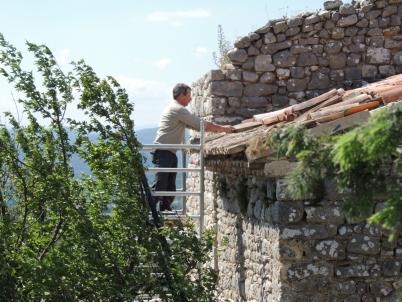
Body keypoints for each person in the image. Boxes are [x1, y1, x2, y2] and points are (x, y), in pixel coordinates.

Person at [152, 83, 234, 211]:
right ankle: (148, 213)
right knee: (160, 185)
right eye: (189, 96)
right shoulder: (178, 109)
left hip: (168, 152)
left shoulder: (174, 108)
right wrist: (223, 129)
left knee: (169, 186)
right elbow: (200, 125)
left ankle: (163, 211)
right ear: (181, 95)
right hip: (164, 152)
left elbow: (193, 125)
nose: (190, 99)